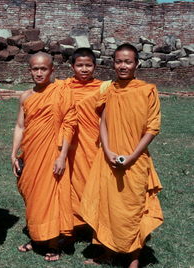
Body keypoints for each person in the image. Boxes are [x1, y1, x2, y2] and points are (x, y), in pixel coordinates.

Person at [80, 43, 164, 268]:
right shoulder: (109, 90)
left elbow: (152, 128)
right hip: (108, 158)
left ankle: (133, 258)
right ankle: (108, 252)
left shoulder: (147, 90)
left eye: (128, 61)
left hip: (135, 161)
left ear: (136, 64)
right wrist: (107, 151)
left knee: (132, 209)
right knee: (108, 207)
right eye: (119, 61)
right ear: (113, 63)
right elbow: (103, 124)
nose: (123, 66)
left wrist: (132, 156)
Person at [11, 52, 77, 261]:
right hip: (30, 153)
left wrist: (62, 156)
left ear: (52, 70)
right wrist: (13, 154)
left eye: (43, 69)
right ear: (29, 70)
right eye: (35, 69)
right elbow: (20, 126)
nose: (39, 73)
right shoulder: (26, 96)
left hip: (52, 153)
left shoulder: (61, 92)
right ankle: (37, 237)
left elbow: (69, 125)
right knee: (32, 197)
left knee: (49, 198)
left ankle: (52, 243)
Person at [64, 48, 110, 228]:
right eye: (80, 65)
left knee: (91, 182)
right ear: (72, 67)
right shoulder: (63, 86)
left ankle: (93, 222)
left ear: (95, 66)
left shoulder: (104, 88)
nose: (84, 69)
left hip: (93, 143)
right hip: (69, 143)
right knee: (69, 182)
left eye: (88, 65)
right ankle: (72, 223)